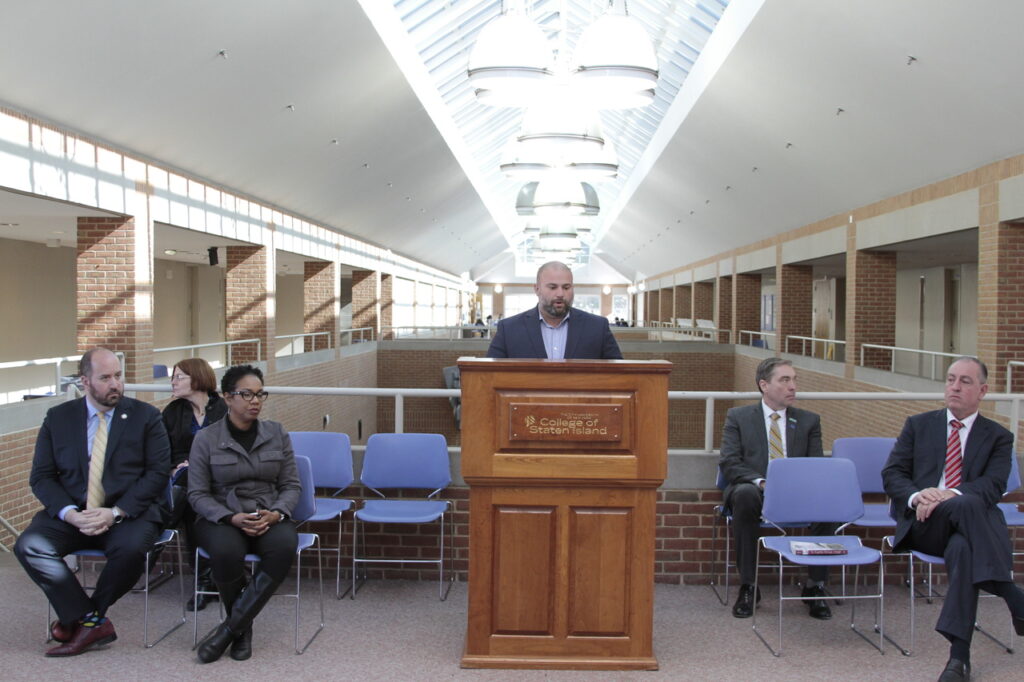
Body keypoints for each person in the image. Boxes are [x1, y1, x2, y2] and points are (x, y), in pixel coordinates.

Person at [14, 347, 170, 656]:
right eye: (105, 378)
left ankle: (85, 619)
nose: (115, 384)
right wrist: (70, 514)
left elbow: (157, 473)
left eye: (118, 376)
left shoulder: (146, 416)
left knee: (131, 549)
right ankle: (89, 619)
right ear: (84, 381)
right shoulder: (58, 418)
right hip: (76, 513)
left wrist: (115, 512)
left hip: (127, 513)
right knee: (29, 545)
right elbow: (42, 477)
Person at [882, 357, 1022, 682]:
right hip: (924, 524)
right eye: (950, 379)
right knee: (969, 507)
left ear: (983, 391)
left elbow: (993, 486)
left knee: (962, 547)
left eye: (965, 381)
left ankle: (958, 660)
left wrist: (949, 494)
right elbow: (893, 474)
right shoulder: (918, 425)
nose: (955, 387)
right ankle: (1011, 594)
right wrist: (920, 496)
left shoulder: (998, 436)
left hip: (967, 528)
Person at [188, 364, 300, 663]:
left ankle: (229, 630)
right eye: (246, 394)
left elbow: (291, 485)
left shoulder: (276, 433)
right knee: (226, 551)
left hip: (268, 513)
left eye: (260, 394)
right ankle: (242, 630)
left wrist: (277, 513)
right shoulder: (206, 438)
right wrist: (230, 517)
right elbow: (196, 494)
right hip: (221, 516)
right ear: (227, 397)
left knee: (284, 546)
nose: (255, 401)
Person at [718, 357, 833, 620]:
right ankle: (749, 586)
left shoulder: (808, 421)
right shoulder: (739, 417)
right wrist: (762, 482)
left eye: (794, 380)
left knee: (828, 502)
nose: (793, 386)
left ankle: (815, 587)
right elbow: (730, 462)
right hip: (755, 490)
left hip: (796, 492)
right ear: (764, 385)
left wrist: (791, 486)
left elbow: (815, 465)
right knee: (744, 495)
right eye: (785, 380)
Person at [161, 357, 227, 611]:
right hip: (187, 479)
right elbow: (163, 450)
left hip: (221, 479)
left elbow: (236, 448)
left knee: (189, 494)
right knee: (192, 500)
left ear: (198, 378)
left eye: (179, 377)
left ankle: (159, 534)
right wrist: (175, 465)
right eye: (173, 377)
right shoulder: (173, 412)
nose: (173, 382)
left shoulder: (225, 409)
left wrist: (199, 465)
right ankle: (206, 581)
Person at [486, 261, 623, 359]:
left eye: (566, 287)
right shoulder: (509, 329)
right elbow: (489, 376)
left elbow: (619, 375)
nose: (560, 294)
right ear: (537, 289)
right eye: (552, 287)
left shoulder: (597, 327)